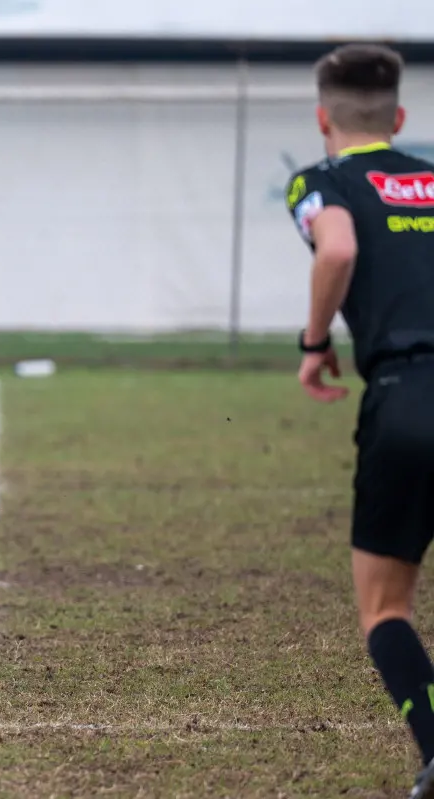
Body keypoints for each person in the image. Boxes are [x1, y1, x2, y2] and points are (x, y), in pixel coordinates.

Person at [286, 43, 434, 798]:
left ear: (323, 119)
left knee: (386, 607)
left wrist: (315, 344)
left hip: (407, 395)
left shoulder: (323, 180)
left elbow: (337, 246)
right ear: (400, 117)